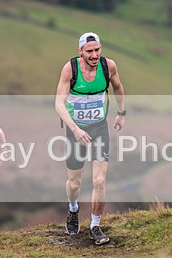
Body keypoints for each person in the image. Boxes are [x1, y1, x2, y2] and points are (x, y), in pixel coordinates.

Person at [54, 31, 126, 245]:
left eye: (97, 50)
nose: (94, 55)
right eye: (89, 51)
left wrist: (121, 114)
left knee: (99, 180)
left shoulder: (108, 66)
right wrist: (75, 129)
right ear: (80, 52)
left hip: (99, 128)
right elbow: (59, 103)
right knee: (75, 183)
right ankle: (73, 209)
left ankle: (95, 225)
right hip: (75, 130)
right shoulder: (70, 69)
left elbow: (118, 88)